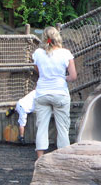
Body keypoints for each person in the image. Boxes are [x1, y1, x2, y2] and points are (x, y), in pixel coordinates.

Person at [32, 27, 77, 159]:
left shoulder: (38, 53)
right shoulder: (66, 53)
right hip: (60, 93)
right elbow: (73, 76)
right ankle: (63, 158)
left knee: (42, 126)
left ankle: (40, 158)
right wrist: (65, 78)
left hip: (42, 93)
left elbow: (38, 71)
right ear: (58, 37)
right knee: (62, 127)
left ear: (44, 38)